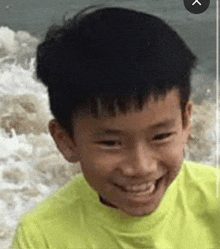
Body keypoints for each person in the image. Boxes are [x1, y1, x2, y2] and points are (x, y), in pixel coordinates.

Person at [11, 5, 220, 248]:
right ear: (66, 140)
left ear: (186, 121)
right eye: (111, 143)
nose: (141, 167)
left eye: (161, 136)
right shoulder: (40, 237)